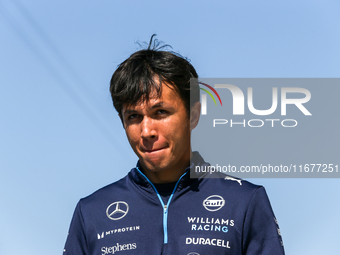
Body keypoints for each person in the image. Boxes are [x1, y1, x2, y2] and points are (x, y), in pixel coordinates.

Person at [63, 35, 285, 255]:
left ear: (194, 115)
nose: (147, 131)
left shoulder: (245, 202)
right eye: (133, 116)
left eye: (160, 112)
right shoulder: (91, 212)